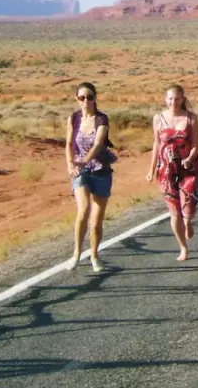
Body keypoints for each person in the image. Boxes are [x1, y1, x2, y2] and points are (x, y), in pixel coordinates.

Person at [146, 84, 198, 262]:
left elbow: (195, 144)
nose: (173, 102)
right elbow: (157, 144)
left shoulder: (191, 118)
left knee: (187, 209)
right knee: (174, 212)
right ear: (165, 99)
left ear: (182, 99)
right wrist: (151, 168)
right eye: (170, 98)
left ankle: (188, 221)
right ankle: (183, 248)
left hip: (189, 168)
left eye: (177, 98)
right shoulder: (158, 119)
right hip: (166, 169)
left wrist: (189, 158)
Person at [65, 82, 117, 272]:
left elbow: (97, 144)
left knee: (96, 221)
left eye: (89, 97)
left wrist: (83, 160)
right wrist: (71, 164)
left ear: (95, 98)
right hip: (81, 172)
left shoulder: (102, 119)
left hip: (101, 170)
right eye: (82, 98)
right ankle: (76, 254)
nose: (86, 101)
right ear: (77, 99)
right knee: (83, 210)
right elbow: (68, 143)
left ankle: (94, 255)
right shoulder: (73, 118)